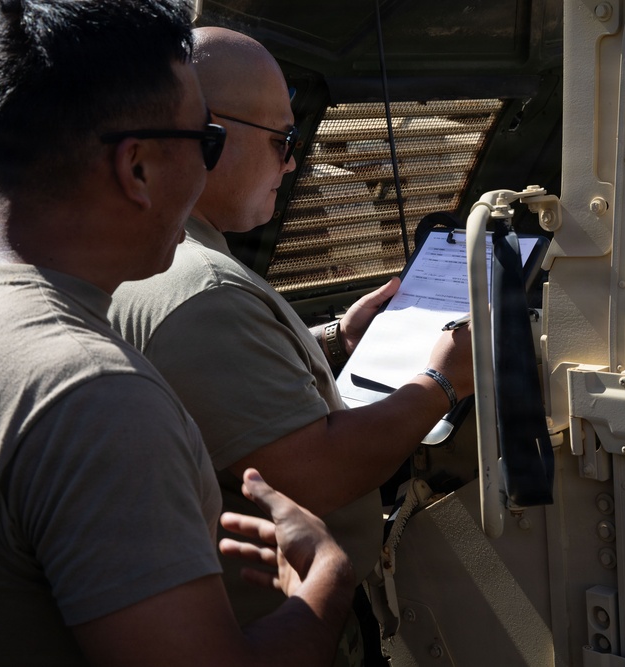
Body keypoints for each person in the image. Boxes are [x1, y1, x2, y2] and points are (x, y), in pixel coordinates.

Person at [0, 2, 355, 665]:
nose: (207, 171)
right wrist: (326, 579)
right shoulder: (94, 398)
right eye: (204, 141)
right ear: (139, 168)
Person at [108, 25, 475, 661]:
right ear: (209, 132)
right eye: (284, 139)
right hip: (265, 630)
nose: (293, 161)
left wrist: (337, 338)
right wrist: (443, 382)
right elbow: (318, 474)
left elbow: (217, 389)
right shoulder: (202, 288)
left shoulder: (153, 254)